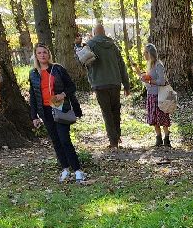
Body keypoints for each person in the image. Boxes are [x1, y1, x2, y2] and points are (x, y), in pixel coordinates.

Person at [29, 45, 85, 183]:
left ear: (49, 54)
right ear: (36, 56)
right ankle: (65, 169)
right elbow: (33, 96)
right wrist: (34, 116)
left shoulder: (58, 69)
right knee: (56, 141)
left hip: (60, 109)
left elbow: (72, 86)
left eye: (44, 52)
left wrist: (63, 94)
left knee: (64, 140)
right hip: (45, 111)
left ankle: (77, 170)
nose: (42, 55)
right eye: (39, 53)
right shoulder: (33, 73)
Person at [81, 23, 130, 149]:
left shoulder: (90, 45)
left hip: (100, 83)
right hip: (115, 82)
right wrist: (126, 85)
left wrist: (77, 46)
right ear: (104, 32)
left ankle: (113, 141)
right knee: (115, 110)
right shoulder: (113, 46)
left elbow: (82, 61)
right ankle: (117, 136)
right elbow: (122, 66)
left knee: (107, 112)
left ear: (94, 33)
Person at [141, 44, 171, 148]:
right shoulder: (150, 65)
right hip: (151, 95)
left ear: (149, 53)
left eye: (145, 52)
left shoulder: (158, 65)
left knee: (162, 117)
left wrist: (149, 80)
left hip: (159, 96)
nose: (144, 55)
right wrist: (145, 78)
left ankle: (167, 138)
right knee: (154, 119)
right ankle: (158, 138)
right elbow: (150, 79)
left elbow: (161, 81)